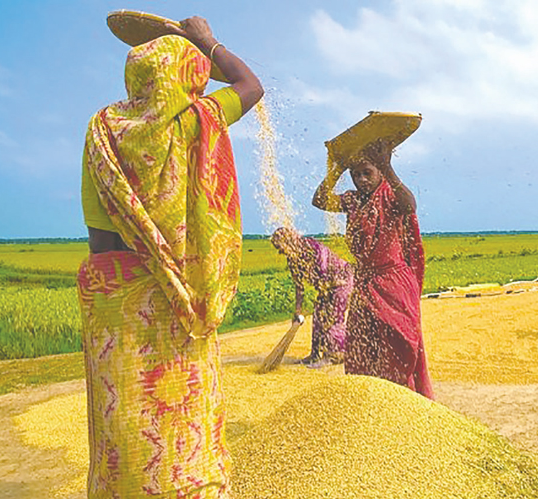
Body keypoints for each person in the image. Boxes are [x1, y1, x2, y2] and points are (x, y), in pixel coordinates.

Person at [78, 14, 263, 498]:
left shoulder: (102, 129)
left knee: (123, 420)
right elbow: (251, 85)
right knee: (183, 425)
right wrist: (209, 41)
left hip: (116, 304)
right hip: (179, 304)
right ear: (189, 76)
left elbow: (100, 239)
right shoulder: (200, 121)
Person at [312, 138, 434, 399]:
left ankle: (404, 402)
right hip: (365, 284)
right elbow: (319, 200)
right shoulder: (352, 201)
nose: (361, 180)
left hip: (393, 283)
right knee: (362, 346)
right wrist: (337, 169)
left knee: (399, 344)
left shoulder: (390, 195)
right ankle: (370, 404)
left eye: (367, 173)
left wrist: (388, 167)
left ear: (379, 172)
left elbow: (410, 205)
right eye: (356, 175)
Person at [270, 227, 354, 367]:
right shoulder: (293, 260)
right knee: (317, 316)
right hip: (327, 284)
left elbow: (324, 266)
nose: (280, 252)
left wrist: (324, 290)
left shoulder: (310, 246)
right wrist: (298, 311)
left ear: (288, 242)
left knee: (332, 317)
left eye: (280, 247)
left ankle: (333, 355)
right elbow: (299, 287)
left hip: (341, 281)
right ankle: (314, 355)